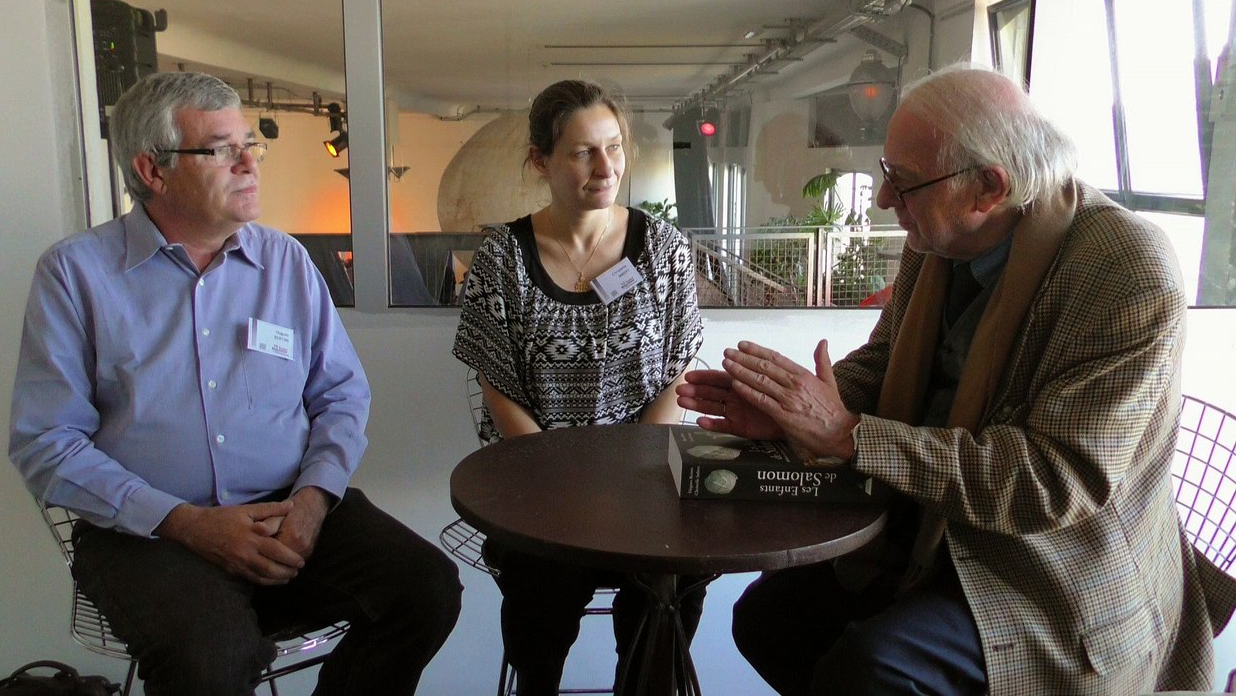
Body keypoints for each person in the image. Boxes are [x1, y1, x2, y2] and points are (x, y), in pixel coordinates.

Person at [676, 63, 1236, 695]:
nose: (883, 200)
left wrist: (851, 435)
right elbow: (883, 363)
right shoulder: (938, 241)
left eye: (903, 182)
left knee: (871, 670)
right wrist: (790, 410)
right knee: (767, 619)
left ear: (988, 188)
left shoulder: (1126, 270)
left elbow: (1055, 481)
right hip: (927, 525)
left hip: (1055, 570)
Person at [8, 71, 462, 696]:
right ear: (153, 169)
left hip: (287, 509)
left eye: (251, 145)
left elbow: (340, 394)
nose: (249, 163)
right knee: (212, 661)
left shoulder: (285, 261)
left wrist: (313, 500)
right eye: (222, 149)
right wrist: (186, 523)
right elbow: (45, 442)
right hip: (147, 535)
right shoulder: (75, 274)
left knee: (425, 590)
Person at [453, 79, 705, 695]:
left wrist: (630, 475)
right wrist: (567, 487)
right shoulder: (503, 259)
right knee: (540, 598)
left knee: (672, 589)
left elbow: (677, 371)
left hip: (645, 483)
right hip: (541, 488)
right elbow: (496, 383)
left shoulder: (662, 250)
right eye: (582, 152)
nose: (605, 167)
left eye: (613, 147)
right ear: (540, 161)